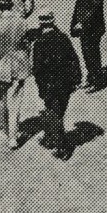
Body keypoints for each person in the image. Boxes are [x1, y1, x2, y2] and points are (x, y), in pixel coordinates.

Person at [0, 0, 32, 150]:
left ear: (0, 6)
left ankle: (4, 128)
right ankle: (13, 137)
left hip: (2, 65)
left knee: (0, 98)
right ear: (11, 5)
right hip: (19, 64)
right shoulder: (22, 22)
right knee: (16, 100)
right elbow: (27, 44)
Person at [33, 10, 82, 159]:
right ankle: (51, 138)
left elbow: (37, 70)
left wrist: (41, 88)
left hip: (50, 86)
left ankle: (63, 146)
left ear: (41, 24)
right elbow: (74, 59)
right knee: (58, 112)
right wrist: (76, 79)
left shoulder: (39, 43)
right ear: (53, 22)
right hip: (65, 84)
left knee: (54, 114)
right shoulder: (63, 38)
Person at [70, 0, 106, 90]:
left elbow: (94, 10)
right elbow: (79, 7)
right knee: (86, 54)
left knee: (93, 55)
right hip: (85, 28)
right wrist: (75, 23)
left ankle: (98, 82)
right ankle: (91, 78)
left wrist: (83, 22)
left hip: (93, 28)